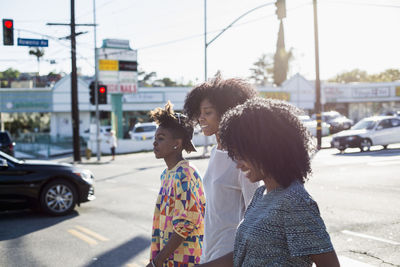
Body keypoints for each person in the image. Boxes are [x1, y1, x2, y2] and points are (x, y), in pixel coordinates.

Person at [199, 97, 340, 267]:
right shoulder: (261, 194)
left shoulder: (294, 201)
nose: (237, 163)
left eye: (242, 154)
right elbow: (241, 255)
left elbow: (329, 263)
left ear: (266, 149)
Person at [183, 74, 260, 263]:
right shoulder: (216, 151)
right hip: (209, 249)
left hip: (230, 254)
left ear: (227, 113)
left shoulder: (242, 158)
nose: (201, 118)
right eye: (199, 112)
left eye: (207, 112)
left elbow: (257, 213)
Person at [147, 101, 206, 267]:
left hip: (184, 261)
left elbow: (185, 224)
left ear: (177, 143)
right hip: (168, 260)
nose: (155, 143)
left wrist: (156, 262)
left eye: (161, 138)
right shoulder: (167, 174)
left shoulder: (185, 174)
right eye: (155, 138)